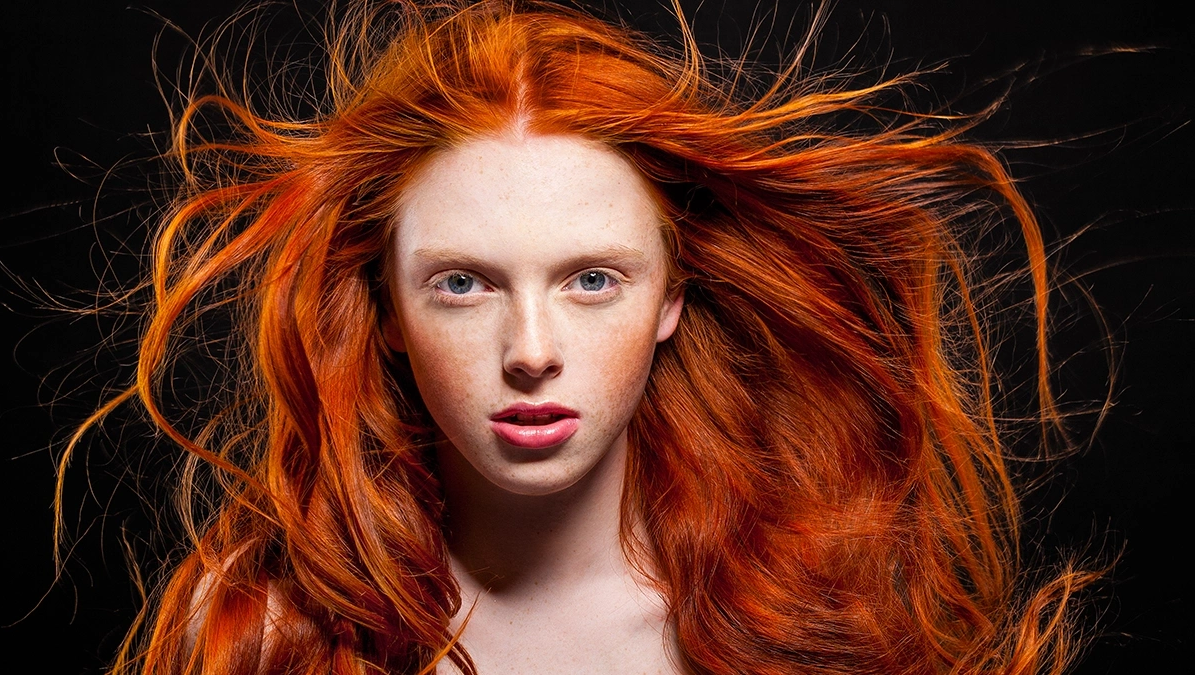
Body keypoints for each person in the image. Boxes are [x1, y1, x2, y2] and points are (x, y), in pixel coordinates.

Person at [58, 1, 1097, 673]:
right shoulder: (269, 640)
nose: (531, 348)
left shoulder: (817, 625)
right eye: (462, 283)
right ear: (383, 309)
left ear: (672, 300)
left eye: (593, 280)